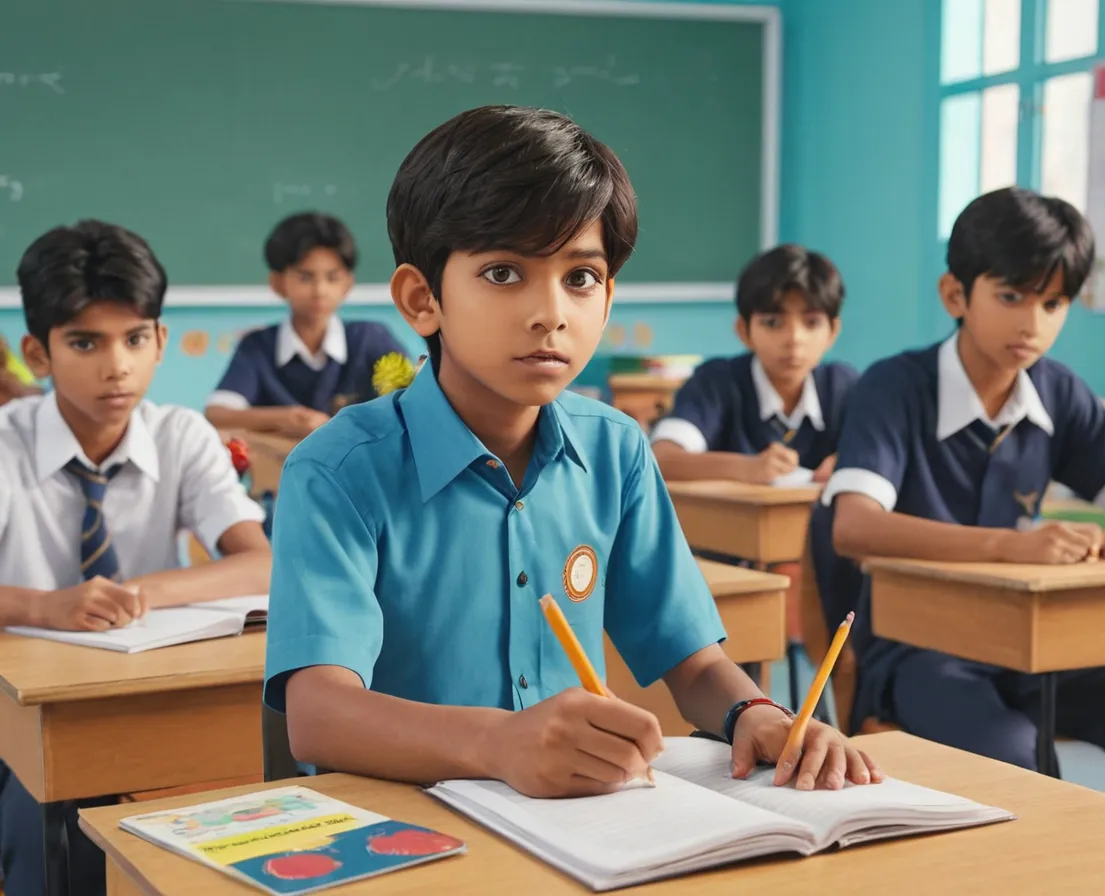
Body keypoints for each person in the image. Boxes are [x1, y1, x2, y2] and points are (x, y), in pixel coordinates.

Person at [264, 105, 881, 803]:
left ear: (608, 295)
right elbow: (317, 716)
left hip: (578, 825)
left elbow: (692, 661)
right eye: (503, 273)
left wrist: (757, 714)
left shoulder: (615, 449)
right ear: (421, 298)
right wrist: (498, 744)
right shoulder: (339, 470)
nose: (550, 312)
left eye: (580, 277)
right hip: (405, 826)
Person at [822, 186, 1105, 804]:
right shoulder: (895, 387)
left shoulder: (1058, 392)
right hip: (921, 651)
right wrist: (1012, 546)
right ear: (956, 295)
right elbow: (854, 527)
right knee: (1015, 757)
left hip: (1038, 642)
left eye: (1053, 303)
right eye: (1010, 296)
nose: (1032, 323)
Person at [0, 219, 272, 894]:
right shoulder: (6, 443)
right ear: (38, 353)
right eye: (85, 342)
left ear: (160, 343)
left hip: (133, 689)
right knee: (41, 832)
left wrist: (139, 593)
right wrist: (45, 606)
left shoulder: (181, 435)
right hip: (16, 708)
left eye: (134, 338)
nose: (115, 365)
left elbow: (260, 562)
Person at [652, 245, 857, 486]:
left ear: (832, 332)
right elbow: (661, 459)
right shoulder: (717, 382)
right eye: (773, 322)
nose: (794, 339)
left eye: (811, 322)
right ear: (744, 330)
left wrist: (851, 464)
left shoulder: (846, 387)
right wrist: (747, 468)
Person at [205, 212, 408, 438]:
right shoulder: (258, 347)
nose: (320, 291)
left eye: (332, 278)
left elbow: (411, 397)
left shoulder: (371, 338)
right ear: (278, 283)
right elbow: (216, 413)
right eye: (305, 277)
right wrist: (287, 417)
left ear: (348, 284)